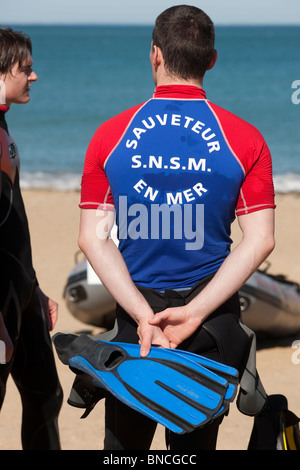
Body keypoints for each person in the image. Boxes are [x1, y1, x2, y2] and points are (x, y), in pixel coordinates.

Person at [78, 5, 275, 450]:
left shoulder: (110, 135)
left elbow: (92, 237)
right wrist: (197, 312)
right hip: (210, 322)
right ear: (211, 60)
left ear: (155, 55)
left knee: (124, 452)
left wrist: (143, 316)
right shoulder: (245, 139)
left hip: (137, 322)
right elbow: (260, 239)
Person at [0, 28, 63, 450]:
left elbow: (13, 217)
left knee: (46, 395)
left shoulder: (2, 120)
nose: (34, 77)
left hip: (19, 288)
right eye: (27, 68)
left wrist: (35, 287)